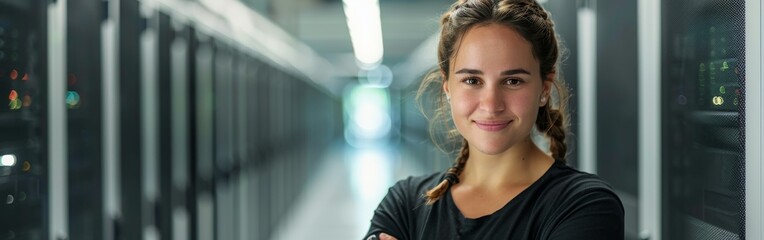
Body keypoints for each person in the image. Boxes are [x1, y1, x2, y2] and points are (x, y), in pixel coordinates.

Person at [364, 0, 624, 239]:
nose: (491, 104)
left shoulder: (584, 205)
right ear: (447, 88)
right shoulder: (405, 204)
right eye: (472, 81)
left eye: (513, 81)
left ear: (544, 89)